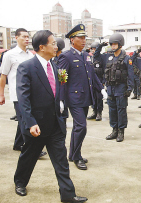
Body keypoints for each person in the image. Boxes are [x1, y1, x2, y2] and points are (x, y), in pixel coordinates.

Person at [14, 29, 87, 202]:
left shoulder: (54, 65)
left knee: (61, 161)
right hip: (36, 126)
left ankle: (68, 195)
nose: (56, 46)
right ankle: (20, 182)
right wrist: (30, 122)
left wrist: (62, 110)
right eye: (53, 43)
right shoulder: (27, 67)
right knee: (28, 157)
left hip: (55, 124)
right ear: (41, 47)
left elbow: (57, 91)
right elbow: (23, 99)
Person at [58, 24, 105, 170]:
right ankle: (77, 157)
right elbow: (62, 79)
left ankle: (73, 154)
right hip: (74, 98)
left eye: (85, 38)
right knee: (82, 127)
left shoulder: (86, 56)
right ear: (72, 40)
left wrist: (101, 89)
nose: (84, 41)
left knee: (78, 127)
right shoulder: (66, 56)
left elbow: (92, 75)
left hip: (86, 98)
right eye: (81, 38)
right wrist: (60, 99)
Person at [0, 28, 47, 157]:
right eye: (24, 37)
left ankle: (18, 143)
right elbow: (3, 76)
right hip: (17, 94)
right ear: (16, 38)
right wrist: (1, 94)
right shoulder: (9, 55)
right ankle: (32, 148)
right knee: (26, 121)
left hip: (30, 93)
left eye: (28, 37)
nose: (27, 39)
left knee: (23, 120)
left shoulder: (31, 55)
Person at [94, 33, 134, 142]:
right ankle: (114, 130)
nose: (113, 46)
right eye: (112, 44)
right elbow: (96, 56)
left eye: (115, 44)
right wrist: (100, 46)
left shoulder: (126, 58)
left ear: (120, 44)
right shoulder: (108, 56)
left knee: (121, 110)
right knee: (112, 110)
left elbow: (131, 75)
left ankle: (121, 132)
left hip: (121, 88)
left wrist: (130, 88)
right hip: (110, 88)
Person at [87, 41, 104, 121]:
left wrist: (104, 82)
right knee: (93, 97)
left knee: (99, 97)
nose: (93, 51)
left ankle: (99, 113)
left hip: (100, 81)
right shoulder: (90, 58)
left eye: (95, 49)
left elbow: (104, 70)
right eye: (92, 49)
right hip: (91, 82)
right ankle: (94, 111)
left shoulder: (101, 57)